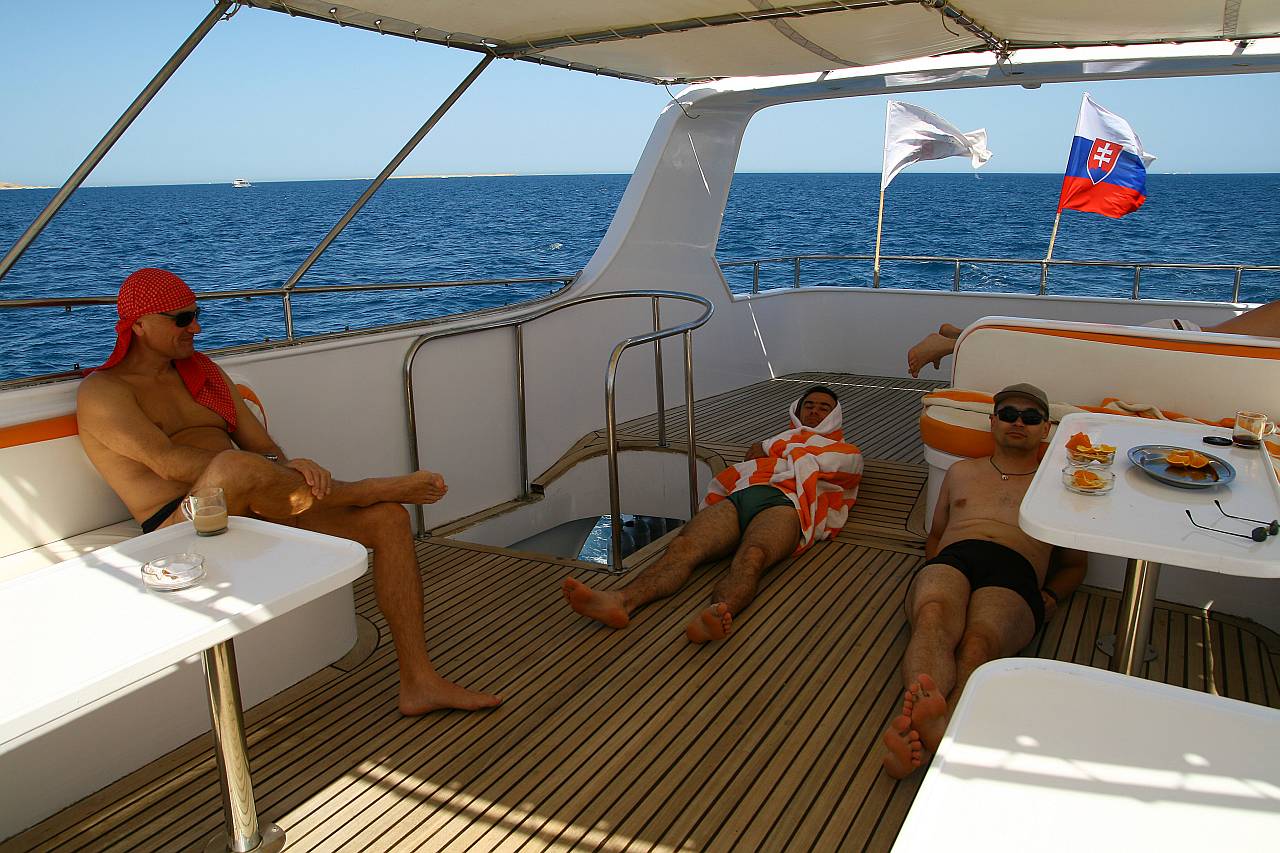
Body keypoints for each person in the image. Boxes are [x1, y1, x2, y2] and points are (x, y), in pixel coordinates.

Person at [76, 268, 502, 715]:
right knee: (234, 464)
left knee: (389, 518)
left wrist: (283, 466)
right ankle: (363, 489)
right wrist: (261, 470)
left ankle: (420, 681)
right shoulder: (104, 391)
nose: (196, 328)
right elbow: (167, 463)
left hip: (249, 498)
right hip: (177, 526)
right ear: (139, 324)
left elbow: (262, 447)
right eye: (182, 319)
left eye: (196, 315)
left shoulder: (202, 373)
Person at [880, 383, 1086, 778]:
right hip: (955, 558)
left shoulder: (1058, 485)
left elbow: (1075, 564)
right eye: (1008, 414)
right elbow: (936, 536)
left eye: (1031, 418)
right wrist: (939, 577)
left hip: (1016, 568)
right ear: (993, 422)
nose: (1018, 423)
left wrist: (1052, 595)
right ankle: (937, 731)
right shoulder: (961, 472)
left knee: (978, 642)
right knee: (933, 615)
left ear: (1045, 429)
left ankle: (920, 734)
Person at [563, 386, 863, 643]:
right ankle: (621, 600)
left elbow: (838, 468)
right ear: (797, 410)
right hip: (743, 495)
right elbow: (758, 459)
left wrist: (771, 448)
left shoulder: (846, 450)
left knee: (753, 555)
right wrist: (776, 449)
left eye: (823, 408)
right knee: (684, 546)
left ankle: (718, 613)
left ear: (834, 416)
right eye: (809, 405)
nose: (814, 411)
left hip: (787, 504)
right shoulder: (779, 441)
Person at [906, 301, 1280, 378]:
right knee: (1059, 358)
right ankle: (955, 342)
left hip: (1180, 344)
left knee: (1064, 354)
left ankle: (959, 335)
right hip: (1179, 348)